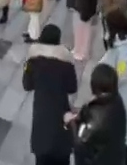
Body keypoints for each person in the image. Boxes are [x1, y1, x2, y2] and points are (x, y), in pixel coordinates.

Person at [23, 24, 79, 165]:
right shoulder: (66, 62)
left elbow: (27, 85)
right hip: (61, 113)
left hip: (41, 112)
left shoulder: (32, 60)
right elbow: (72, 88)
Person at [67, 64, 127, 165]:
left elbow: (80, 144)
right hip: (115, 155)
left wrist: (71, 123)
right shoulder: (116, 100)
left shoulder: (96, 123)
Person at [99, 9, 127, 79]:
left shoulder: (124, 50)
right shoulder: (119, 43)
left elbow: (121, 74)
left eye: (107, 28)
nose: (105, 33)